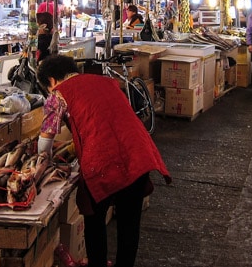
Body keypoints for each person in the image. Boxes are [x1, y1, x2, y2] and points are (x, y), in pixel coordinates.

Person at [36, 55, 171, 267]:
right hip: (138, 152)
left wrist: (44, 163)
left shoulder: (58, 95)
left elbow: (45, 141)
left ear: (51, 81)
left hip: (102, 159)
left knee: (94, 218)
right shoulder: (106, 82)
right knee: (129, 223)